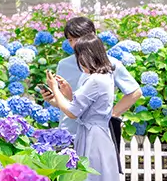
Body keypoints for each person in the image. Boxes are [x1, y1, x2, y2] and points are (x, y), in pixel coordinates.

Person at [41, 16, 141, 161]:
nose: (74, 44)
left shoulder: (110, 64)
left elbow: (134, 92)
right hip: (68, 132)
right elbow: (71, 103)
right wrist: (53, 98)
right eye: (70, 40)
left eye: (78, 38)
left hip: (94, 136)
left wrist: (111, 114)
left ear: (92, 37)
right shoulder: (64, 64)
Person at [46, 37, 123, 181]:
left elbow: (73, 112)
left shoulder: (95, 80)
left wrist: (56, 90)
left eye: (79, 55)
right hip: (97, 133)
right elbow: (81, 106)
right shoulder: (103, 77)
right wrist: (66, 94)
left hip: (93, 137)